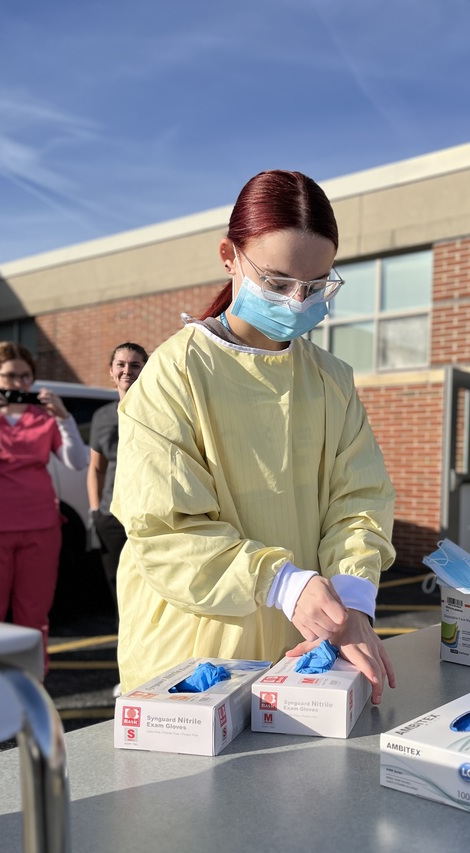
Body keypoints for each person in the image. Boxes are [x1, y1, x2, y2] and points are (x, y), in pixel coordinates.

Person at [112, 169, 396, 702]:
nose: (296, 300)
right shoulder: (176, 373)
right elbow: (165, 531)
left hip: (306, 644)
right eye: (278, 282)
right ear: (229, 256)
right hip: (197, 657)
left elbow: (359, 501)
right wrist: (285, 584)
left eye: (315, 286)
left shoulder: (329, 379)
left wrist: (352, 600)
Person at [0, 341, 88, 672]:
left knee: (34, 614)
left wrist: (65, 417)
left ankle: (32, 681)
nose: (17, 384)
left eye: (25, 377)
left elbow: (77, 461)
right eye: (9, 376)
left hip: (40, 528)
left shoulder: (43, 419)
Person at [87, 342, 148, 614]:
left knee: (149, 586)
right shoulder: (101, 416)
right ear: (111, 371)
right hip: (111, 517)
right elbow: (96, 468)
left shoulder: (157, 409)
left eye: (135, 365)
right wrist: (95, 511)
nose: (127, 371)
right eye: (121, 365)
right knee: (118, 587)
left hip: (148, 514)